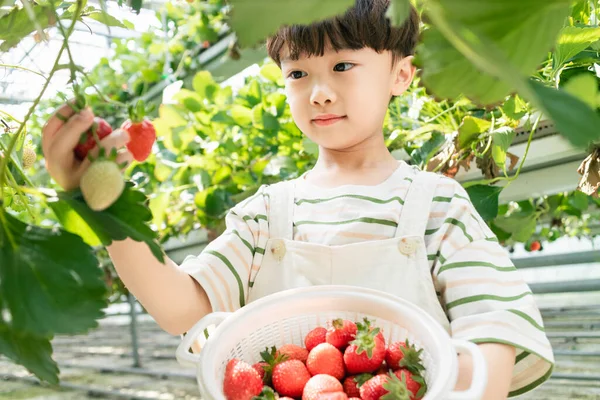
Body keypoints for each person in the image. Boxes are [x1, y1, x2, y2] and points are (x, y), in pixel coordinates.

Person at [42, 0, 554, 398]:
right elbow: (184, 309)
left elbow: (493, 329)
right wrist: (100, 207)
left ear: (401, 74)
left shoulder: (439, 207)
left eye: (344, 66)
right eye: (299, 73)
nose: (320, 92)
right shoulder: (267, 214)